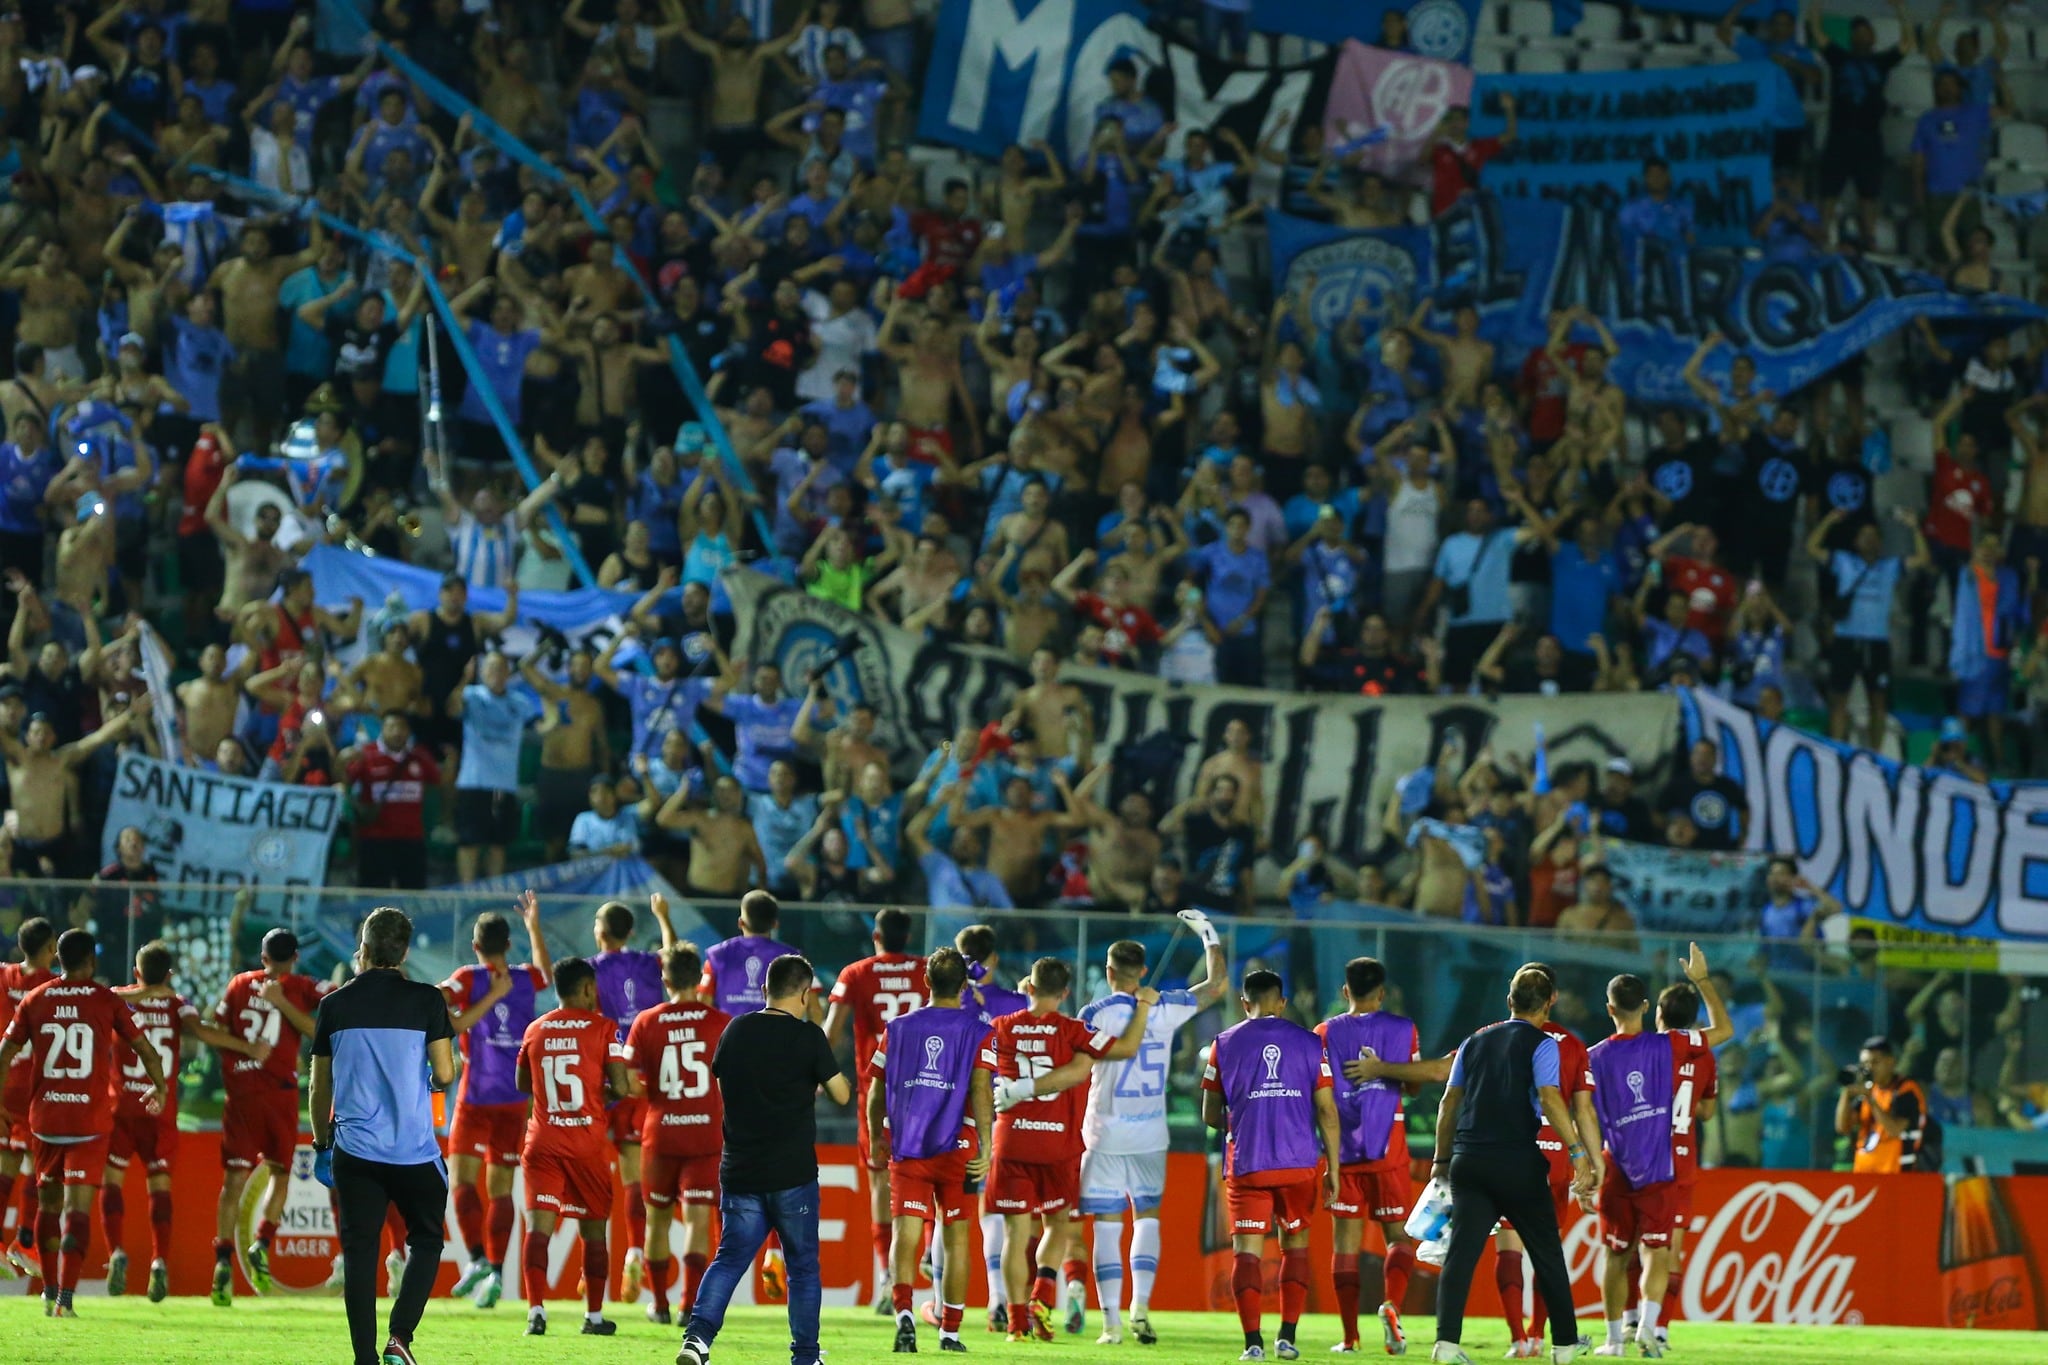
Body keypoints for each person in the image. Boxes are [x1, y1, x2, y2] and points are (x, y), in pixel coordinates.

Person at [678, 954, 850, 1365]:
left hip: (740, 1169)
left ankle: (696, 1341)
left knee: (729, 1259)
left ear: (764, 991)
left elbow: (723, 1087)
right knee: (802, 1268)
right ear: (807, 994)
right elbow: (842, 1095)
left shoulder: (735, 1030)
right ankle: (806, 1356)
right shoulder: (809, 1037)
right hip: (793, 1174)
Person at [1426, 964, 1597, 1365]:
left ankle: (1446, 1345)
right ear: (1550, 1002)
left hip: (1469, 1160)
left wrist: (1441, 1159)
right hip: (1516, 1160)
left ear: (1509, 1001)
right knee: (1547, 1254)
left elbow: (1449, 1103)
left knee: (1461, 1256)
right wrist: (1577, 1152)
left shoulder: (1474, 1041)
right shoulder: (1543, 1044)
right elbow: (1551, 1097)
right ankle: (1564, 1346)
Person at [308, 908, 456, 1365]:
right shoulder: (428, 1000)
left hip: (356, 1151)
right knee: (428, 1239)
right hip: (413, 1150)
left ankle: (364, 1359)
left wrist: (320, 1143)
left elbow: (319, 1086)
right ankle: (400, 1338)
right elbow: (445, 1073)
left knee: (360, 1252)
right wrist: (429, 1080)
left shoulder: (333, 1005)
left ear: (364, 950)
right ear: (404, 951)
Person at [1074, 916, 1228, 1345]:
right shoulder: (1165, 1007)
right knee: (1147, 1217)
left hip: (1104, 1132)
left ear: (1108, 973)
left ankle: (1111, 1325)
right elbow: (1216, 986)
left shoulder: (1094, 1014)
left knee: (1107, 1225)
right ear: (1143, 971)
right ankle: (1140, 1307)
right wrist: (1207, 932)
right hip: (1149, 1133)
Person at [985, 958, 1154, 1342]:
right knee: (1058, 1224)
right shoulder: (1074, 1030)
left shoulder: (1002, 1028)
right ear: (1064, 993)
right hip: (1057, 1142)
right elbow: (1127, 1048)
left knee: (1014, 1233)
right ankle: (1042, 1295)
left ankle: (1015, 1323)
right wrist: (1143, 1006)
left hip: (1012, 1139)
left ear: (1028, 986)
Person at [0, 929, 166, 1315]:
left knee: (48, 1205)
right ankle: (66, 1300)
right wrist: (159, 1086)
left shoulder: (35, 999)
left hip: (46, 1119)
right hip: (88, 1123)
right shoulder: (105, 1000)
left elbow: (4, 1054)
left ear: (57, 958)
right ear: (91, 960)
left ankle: (47, 1292)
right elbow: (144, 1047)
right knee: (77, 1210)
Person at [1586, 948, 1733, 1358]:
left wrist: (1585, 1163)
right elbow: (1722, 1031)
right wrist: (1703, 980)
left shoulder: (1593, 1057)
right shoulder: (1670, 1046)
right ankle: (1650, 1328)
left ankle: (1615, 1341)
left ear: (1609, 1008)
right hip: (1661, 1168)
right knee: (1658, 1253)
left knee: (1616, 1256)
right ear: (1646, 1006)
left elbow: (1583, 1113)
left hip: (1617, 1167)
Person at [107, 940, 269, 1303]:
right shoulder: (178, 1005)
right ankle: (159, 1262)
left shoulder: (116, 997)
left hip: (121, 1108)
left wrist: (141, 992)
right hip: (160, 1111)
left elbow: (103, 1000)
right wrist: (247, 1048)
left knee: (111, 1181)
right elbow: (207, 1033)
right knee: (159, 1186)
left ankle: (116, 1251)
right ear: (169, 974)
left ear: (136, 972)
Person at [1201, 967, 1341, 1361]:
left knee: (1246, 1252)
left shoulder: (1223, 1044)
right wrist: (1334, 1168)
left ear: (1244, 1003)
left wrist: (1245, 1117)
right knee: (1294, 1246)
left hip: (1249, 1164)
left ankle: (1253, 1345)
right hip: (1299, 1164)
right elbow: (1327, 1112)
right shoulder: (1312, 1044)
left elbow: (1210, 1113)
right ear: (1282, 1002)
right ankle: (1288, 1338)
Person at [869, 945, 997, 1353]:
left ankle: (904, 1313)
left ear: (925, 981)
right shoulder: (979, 1031)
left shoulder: (897, 1028)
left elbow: (874, 1089)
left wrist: (876, 1134)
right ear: (963, 986)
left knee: (906, 1231)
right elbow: (981, 1089)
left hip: (909, 1144)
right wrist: (988, 1145)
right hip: (959, 1146)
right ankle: (950, 1332)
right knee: (957, 1237)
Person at [441, 895, 553, 1310]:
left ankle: (476, 1261)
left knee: (462, 1183)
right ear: (508, 945)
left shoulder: (468, 978)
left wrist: (476, 1006)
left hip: (475, 1098)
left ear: (475, 946)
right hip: (515, 1100)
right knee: (502, 1189)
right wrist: (534, 926)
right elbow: (545, 971)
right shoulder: (524, 979)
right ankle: (492, 1271)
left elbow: (440, 997)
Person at [210, 927, 332, 1306]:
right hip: (278, 1095)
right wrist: (283, 1003)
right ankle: (261, 1242)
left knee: (233, 1182)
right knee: (280, 1174)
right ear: (294, 957)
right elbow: (323, 1023)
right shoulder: (298, 986)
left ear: (262, 957)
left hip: (240, 1096)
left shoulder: (237, 985)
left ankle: (222, 1260)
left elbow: (216, 1031)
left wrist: (242, 1054)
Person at [514, 956, 631, 1337]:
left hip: (543, 1141)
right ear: (585, 989)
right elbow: (623, 1087)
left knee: (538, 1228)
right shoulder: (605, 1029)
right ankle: (594, 1317)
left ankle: (535, 1312)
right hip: (586, 1144)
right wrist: (600, 1094)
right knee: (593, 1230)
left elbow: (522, 1083)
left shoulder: (535, 1029)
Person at [1316, 957, 1424, 1356]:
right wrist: (1385, 1072)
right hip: (1389, 1150)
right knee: (1398, 1237)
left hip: (1343, 1151)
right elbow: (1413, 1089)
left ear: (1345, 991)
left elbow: (1319, 1092)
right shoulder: (1403, 1029)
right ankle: (1391, 1306)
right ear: (1382, 993)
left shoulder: (1324, 1032)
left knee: (1345, 1244)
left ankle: (1349, 1338)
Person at [823, 907, 929, 1308]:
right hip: (928, 1090)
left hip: (878, 1092)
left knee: (881, 1182)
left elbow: (831, 1034)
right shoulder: (926, 971)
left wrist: (817, 1076)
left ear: (876, 935)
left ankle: (888, 1276)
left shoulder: (855, 973)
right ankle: (930, 1254)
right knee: (931, 1175)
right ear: (908, 935)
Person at [623, 942, 731, 1325]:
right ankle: (690, 1305)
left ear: (665, 978)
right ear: (699, 977)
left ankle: (661, 1306)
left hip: (661, 1134)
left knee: (658, 1221)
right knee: (698, 1220)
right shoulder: (720, 1022)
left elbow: (631, 1083)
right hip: (705, 1135)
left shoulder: (646, 1022)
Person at [590, 892, 680, 1300]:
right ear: (629, 932)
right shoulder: (649, 963)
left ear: (602, 933)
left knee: (593, 1175)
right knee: (634, 1181)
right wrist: (663, 917)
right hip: (643, 1083)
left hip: (604, 1080)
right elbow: (674, 956)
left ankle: (593, 1260)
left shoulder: (591, 970)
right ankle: (634, 1251)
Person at [1641, 983, 1721, 1353]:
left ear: (1658, 1013)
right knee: (1671, 1250)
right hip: (1682, 1160)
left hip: (1642, 1157)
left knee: (1629, 1245)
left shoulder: (1647, 1049)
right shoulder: (1705, 1056)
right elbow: (1705, 1111)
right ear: (1694, 1020)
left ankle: (1628, 1324)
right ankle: (1660, 1330)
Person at [0, 917, 59, 1277]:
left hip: (3, 1080)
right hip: (35, 1088)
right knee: (38, 1169)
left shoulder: (2, 974)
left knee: (6, 1164)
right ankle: (24, 1241)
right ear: (51, 948)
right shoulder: (52, 986)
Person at [448, 651, 536, 882]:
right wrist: (464, 679)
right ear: (482, 672)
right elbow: (452, 709)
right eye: (490, 668)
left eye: (500, 668)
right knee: (469, 843)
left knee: (499, 844)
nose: (495, 674)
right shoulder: (472, 695)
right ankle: (467, 896)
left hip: (505, 784)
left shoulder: (520, 702)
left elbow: (542, 724)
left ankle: (492, 894)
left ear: (508, 672)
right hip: (474, 781)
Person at [702, 889, 804, 1016]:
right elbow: (811, 1005)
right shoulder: (793, 959)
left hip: (729, 1034)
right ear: (775, 924)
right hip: (776, 1034)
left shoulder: (717, 955)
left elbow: (703, 1003)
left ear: (740, 922)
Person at [1836, 1035, 1927, 1173]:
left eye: (1874, 1062)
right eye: (1865, 1064)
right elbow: (1843, 1127)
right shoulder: (1869, 1089)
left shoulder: (1906, 1089)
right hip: (1863, 1175)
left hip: (1894, 1176)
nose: (1869, 1068)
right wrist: (1846, 1093)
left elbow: (1895, 1130)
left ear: (1890, 1062)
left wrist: (1871, 1100)